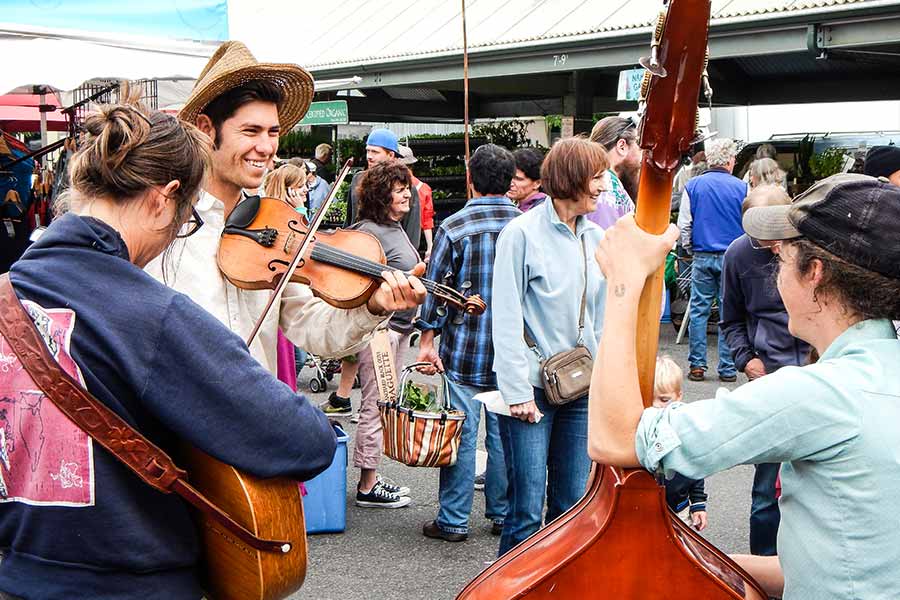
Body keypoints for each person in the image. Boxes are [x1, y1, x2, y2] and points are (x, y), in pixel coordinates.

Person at [0, 98, 337, 600]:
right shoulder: (150, 313)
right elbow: (305, 439)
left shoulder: (7, 293)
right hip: (133, 585)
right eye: (186, 222)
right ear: (166, 198)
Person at [589, 173, 900, 599]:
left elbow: (616, 438)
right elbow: (848, 566)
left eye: (782, 258)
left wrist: (622, 285)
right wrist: (695, 563)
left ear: (815, 273)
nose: (775, 273)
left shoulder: (823, 393)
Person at [145, 42, 425, 381]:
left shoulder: (277, 221)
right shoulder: (162, 224)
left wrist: (373, 306)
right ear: (206, 129)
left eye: (273, 132)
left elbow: (312, 327)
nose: (266, 147)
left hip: (254, 408)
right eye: (251, 131)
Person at [492, 137, 609, 556]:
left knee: (571, 506)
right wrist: (516, 392)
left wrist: (607, 383)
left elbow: (601, 319)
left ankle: (558, 584)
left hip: (581, 385)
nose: (603, 185)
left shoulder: (596, 237)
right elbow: (505, 316)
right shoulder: (520, 234)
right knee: (525, 510)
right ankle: (510, 584)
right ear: (572, 178)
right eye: (597, 177)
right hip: (531, 386)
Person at [416, 144, 519, 542]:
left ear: (470, 179)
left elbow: (435, 288)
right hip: (513, 349)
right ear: (510, 182)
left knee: (460, 432)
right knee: (505, 435)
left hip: (464, 347)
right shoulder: (526, 225)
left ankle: (453, 520)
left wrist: (427, 339)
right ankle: (503, 513)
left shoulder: (455, 226)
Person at [720, 184, 810, 556]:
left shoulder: (810, 247)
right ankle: (761, 572)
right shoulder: (739, 253)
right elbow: (729, 319)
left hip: (816, 371)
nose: (772, 248)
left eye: (776, 237)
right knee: (765, 493)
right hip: (770, 376)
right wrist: (746, 359)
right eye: (761, 239)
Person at [350, 159, 425, 509]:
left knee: (384, 402)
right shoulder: (368, 233)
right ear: (382, 196)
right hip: (382, 331)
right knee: (375, 404)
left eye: (406, 188)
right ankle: (367, 485)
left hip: (397, 330)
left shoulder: (393, 228)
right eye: (398, 190)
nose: (407, 195)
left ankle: (372, 476)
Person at [677, 137, 747, 383]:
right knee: (729, 312)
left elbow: (684, 224)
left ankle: (697, 365)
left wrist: (690, 247)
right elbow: (748, 224)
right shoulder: (742, 188)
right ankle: (727, 368)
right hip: (732, 257)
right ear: (729, 161)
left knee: (699, 311)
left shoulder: (693, 186)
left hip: (702, 255)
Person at [653, 356, 708, 532]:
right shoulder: (641, 427)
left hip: (679, 510)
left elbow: (696, 466)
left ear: (678, 397)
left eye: (664, 400)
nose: (656, 406)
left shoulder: (685, 429)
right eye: (650, 399)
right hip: (645, 510)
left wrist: (698, 503)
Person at [344, 128, 421, 248]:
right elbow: (350, 220)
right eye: (368, 151)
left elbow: (412, 232)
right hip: (357, 249)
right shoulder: (358, 180)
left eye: (375, 152)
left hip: (389, 252)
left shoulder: (407, 188)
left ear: (391, 155)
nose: (369, 156)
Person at [587, 115, 639, 227]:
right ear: (622, 146)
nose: (642, 156)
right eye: (639, 147)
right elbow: (604, 235)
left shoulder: (591, 178)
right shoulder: (606, 185)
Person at [398, 144, 435, 260]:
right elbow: (427, 220)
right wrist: (430, 247)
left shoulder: (391, 188)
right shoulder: (424, 188)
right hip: (417, 240)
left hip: (398, 238)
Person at [507, 147, 547, 212]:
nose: (511, 183)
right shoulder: (520, 207)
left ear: (537, 183)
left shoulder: (541, 210)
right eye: (509, 176)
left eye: (518, 179)